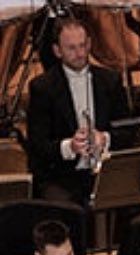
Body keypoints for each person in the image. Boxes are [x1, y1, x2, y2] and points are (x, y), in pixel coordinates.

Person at [26, 17, 128, 205]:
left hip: (106, 171)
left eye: (82, 45)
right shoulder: (42, 88)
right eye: (71, 48)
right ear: (57, 51)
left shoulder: (110, 81)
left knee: (127, 201)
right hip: (62, 176)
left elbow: (128, 132)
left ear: (89, 43)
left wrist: (104, 139)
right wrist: (70, 146)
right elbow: (37, 146)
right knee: (64, 212)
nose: (80, 53)